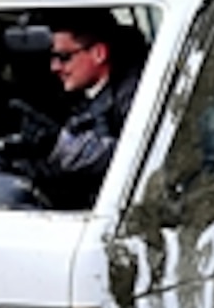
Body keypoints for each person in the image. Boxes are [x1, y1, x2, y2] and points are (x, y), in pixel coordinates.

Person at [30, 12, 143, 209]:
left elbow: (129, 156)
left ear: (99, 53)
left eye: (64, 57)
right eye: (52, 58)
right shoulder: (73, 95)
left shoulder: (133, 96)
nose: (54, 67)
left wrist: (59, 144)